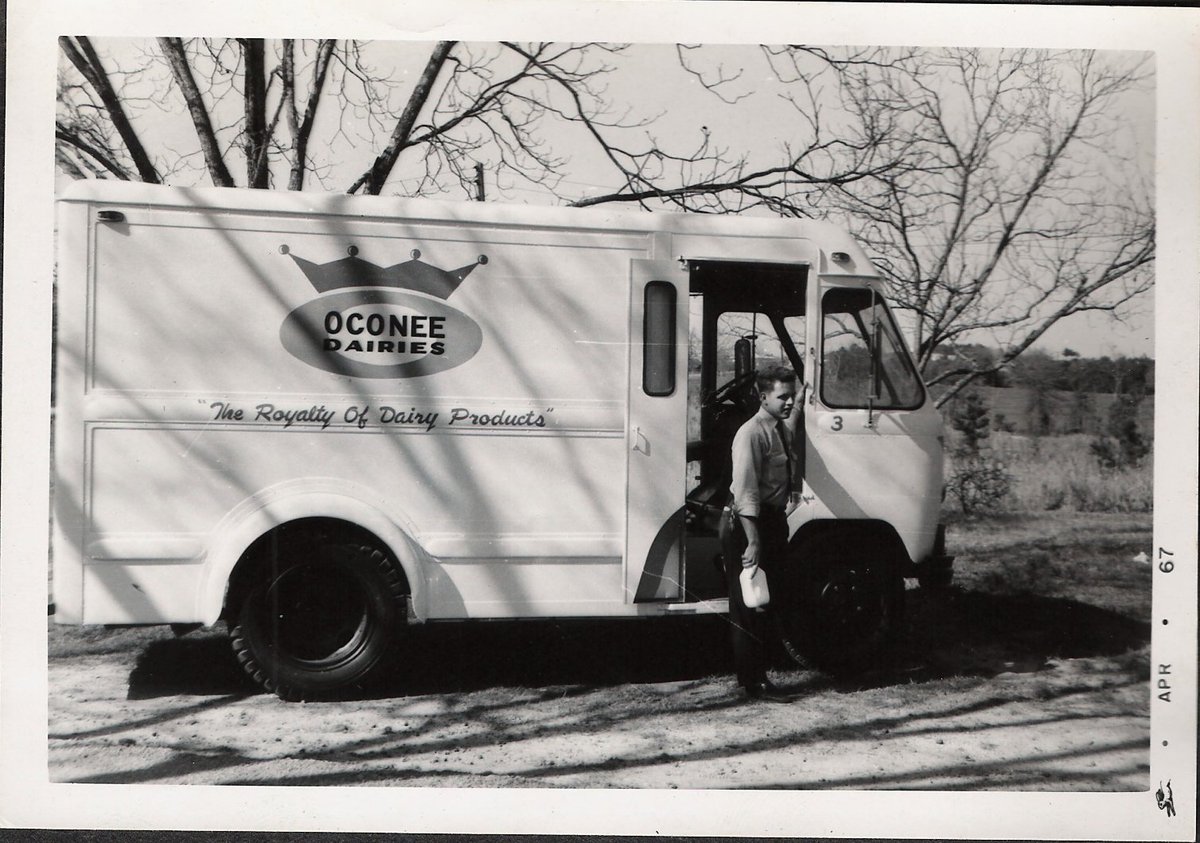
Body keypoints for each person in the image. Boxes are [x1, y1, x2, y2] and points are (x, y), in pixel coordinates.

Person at [721, 363, 802, 703]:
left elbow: (792, 424)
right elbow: (746, 493)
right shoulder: (751, 434)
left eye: (792, 396)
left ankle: (763, 668)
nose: (789, 402)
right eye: (783, 397)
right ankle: (753, 683)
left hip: (769, 521)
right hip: (746, 525)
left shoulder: (778, 427)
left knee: (771, 598)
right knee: (749, 604)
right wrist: (753, 541)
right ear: (763, 396)